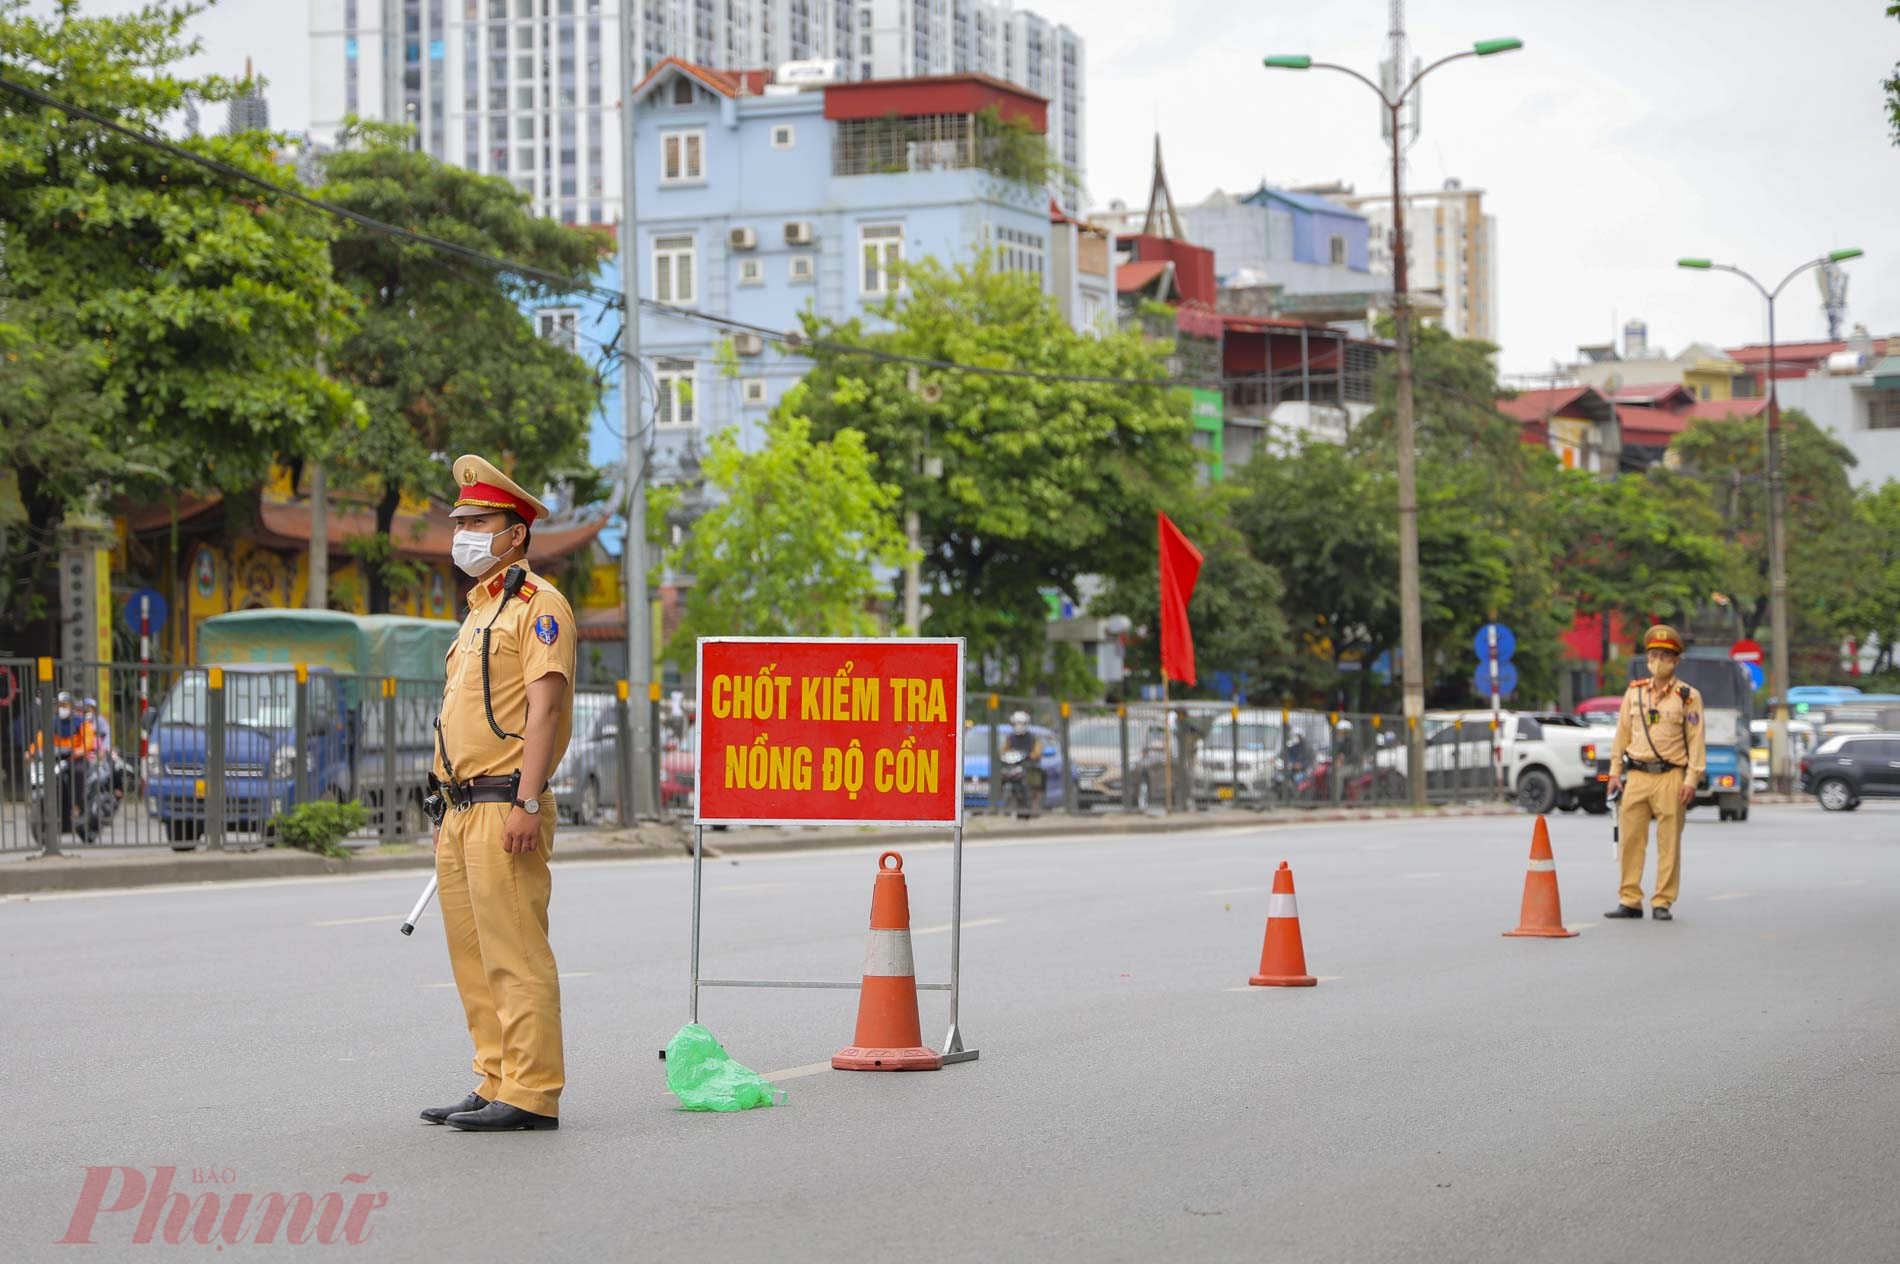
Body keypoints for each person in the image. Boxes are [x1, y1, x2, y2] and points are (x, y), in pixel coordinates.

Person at [420, 455, 577, 1132]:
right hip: (460, 808)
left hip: (507, 801)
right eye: (461, 522)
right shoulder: (479, 613)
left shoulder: (539, 608)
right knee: (475, 958)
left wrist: (529, 799)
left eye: (479, 521)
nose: (466, 533)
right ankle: (494, 1077)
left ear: (515, 533)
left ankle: (533, 1091)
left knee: (515, 953)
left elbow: (543, 712)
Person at [1605, 625, 1706, 921]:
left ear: (1675, 661)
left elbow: (1697, 740)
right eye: (1653, 655)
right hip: (1636, 775)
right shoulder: (1635, 693)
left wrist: (1691, 778)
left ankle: (1662, 900)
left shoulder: (1688, 696)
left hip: (1671, 776)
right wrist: (1614, 772)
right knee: (1630, 841)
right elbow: (1621, 734)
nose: (1657, 660)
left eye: (1664, 656)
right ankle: (1630, 899)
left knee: (1668, 843)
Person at [27, 691, 98, 836]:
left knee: (76, 773)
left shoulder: (81, 723)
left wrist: (80, 750)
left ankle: (78, 807)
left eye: (65, 705)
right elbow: (40, 740)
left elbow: (89, 741)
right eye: (59, 705)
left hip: (75, 759)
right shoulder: (51, 723)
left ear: (71, 706)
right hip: (56, 759)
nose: (62, 708)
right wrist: (31, 751)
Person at [1003, 710, 1046, 814]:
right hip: (1015, 765)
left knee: (1038, 776)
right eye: (1015, 724)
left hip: (1030, 765)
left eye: (1020, 724)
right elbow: (1004, 750)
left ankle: (1036, 802)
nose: (1018, 726)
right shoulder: (1010, 737)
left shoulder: (1033, 737)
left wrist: (1033, 755)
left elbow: (1037, 750)